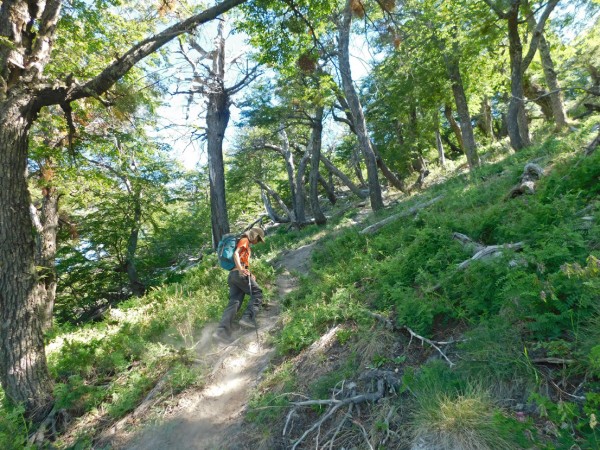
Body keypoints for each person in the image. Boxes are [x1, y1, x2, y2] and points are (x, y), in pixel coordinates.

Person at [213, 227, 265, 343]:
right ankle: (247, 318)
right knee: (257, 293)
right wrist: (242, 270)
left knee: (234, 303)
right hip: (238, 274)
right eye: (258, 239)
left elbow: (240, 259)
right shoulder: (244, 240)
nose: (258, 242)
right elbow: (236, 254)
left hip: (232, 276)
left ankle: (221, 331)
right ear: (254, 235)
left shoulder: (242, 241)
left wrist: (248, 273)